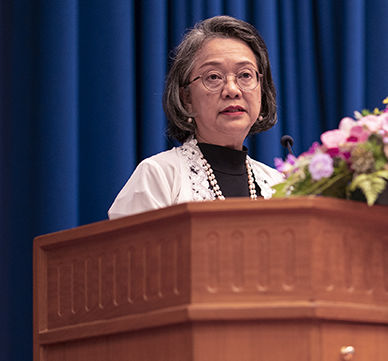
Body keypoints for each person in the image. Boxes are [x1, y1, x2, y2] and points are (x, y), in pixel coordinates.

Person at [108, 16, 283, 219]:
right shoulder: (159, 175)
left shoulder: (278, 183)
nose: (232, 90)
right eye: (214, 77)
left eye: (245, 75)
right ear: (186, 97)